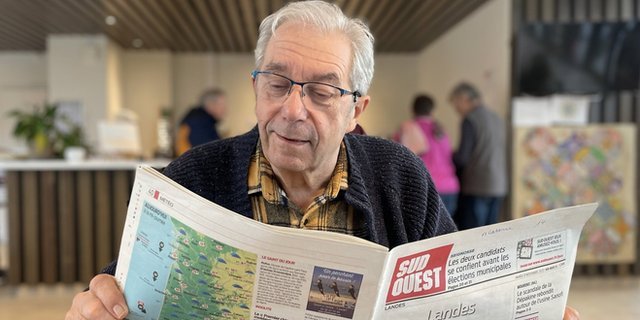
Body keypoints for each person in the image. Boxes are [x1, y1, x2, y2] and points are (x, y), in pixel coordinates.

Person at [65, 2, 579, 320]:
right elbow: (126, 292)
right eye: (277, 82)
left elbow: (462, 297)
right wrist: (97, 303)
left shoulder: (400, 178)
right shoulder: (193, 177)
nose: (292, 109)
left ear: (357, 108)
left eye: (321, 91)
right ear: (255, 88)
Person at [450, 82, 507, 230]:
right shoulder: (496, 118)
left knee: (474, 234)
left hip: (477, 185)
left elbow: (463, 157)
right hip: (498, 184)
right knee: (491, 233)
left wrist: (448, 159)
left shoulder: (470, 119)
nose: (456, 109)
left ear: (464, 99)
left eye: (455, 103)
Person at [394, 94, 459, 216]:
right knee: (447, 233)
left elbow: (398, 157)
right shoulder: (441, 129)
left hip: (426, 188)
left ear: (412, 109)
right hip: (450, 187)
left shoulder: (408, 128)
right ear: (432, 110)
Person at [174, 88, 227, 156]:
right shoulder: (200, 122)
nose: (225, 109)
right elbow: (211, 152)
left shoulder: (198, 118)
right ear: (210, 104)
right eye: (222, 105)